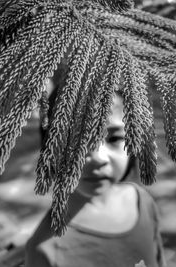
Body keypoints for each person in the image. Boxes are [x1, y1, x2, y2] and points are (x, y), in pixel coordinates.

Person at [25, 93, 166, 267]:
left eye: (114, 138)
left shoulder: (142, 201)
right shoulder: (42, 249)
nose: (98, 158)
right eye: (76, 141)